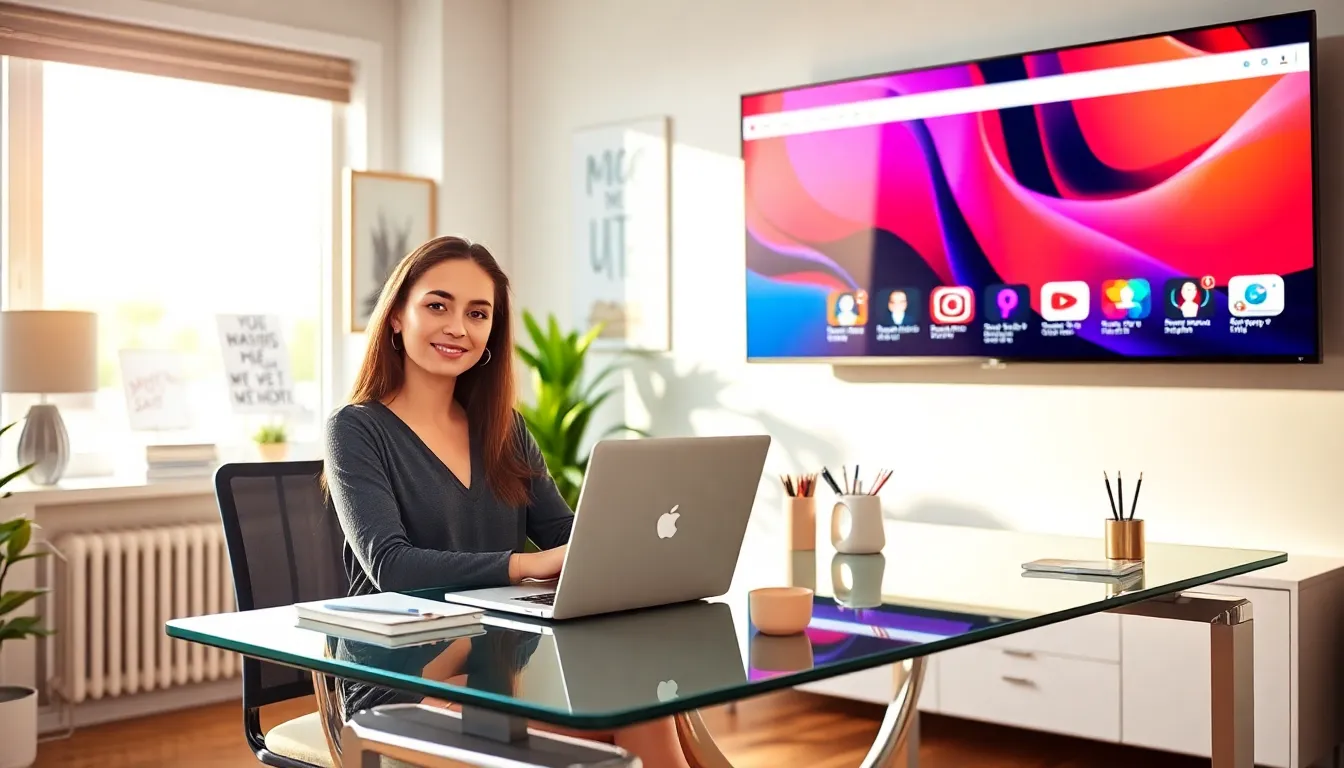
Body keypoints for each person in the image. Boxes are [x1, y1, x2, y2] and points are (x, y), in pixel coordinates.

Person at [323, 235, 690, 767]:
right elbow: (391, 565)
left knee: (641, 704)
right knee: (631, 715)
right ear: (397, 316)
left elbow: (564, 532)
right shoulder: (356, 429)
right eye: (437, 305)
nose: (458, 327)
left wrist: (626, 541)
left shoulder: (503, 430)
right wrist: (528, 565)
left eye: (478, 313)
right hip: (399, 686)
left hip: (501, 671)